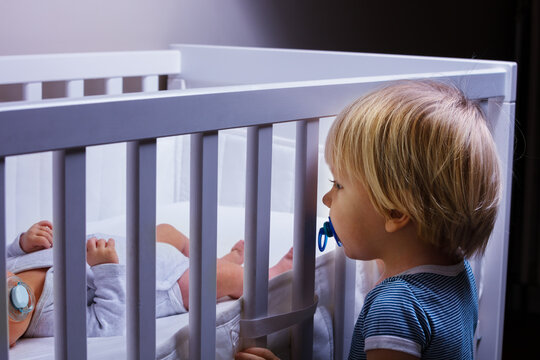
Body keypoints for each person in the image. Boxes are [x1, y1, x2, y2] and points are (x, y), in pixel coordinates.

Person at [236, 80, 501, 360]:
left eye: (338, 184)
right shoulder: (459, 273)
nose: (327, 198)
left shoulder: (394, 308)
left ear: (395, 212)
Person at [6, 220, 293, 347]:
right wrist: (105, 268)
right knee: (220, 279)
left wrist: (25, 241)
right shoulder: (46, 320)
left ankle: (219, 259)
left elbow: (11, 252)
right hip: (159, 287)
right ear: (12, 342)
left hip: (133, 250)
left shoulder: (9, 265)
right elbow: (109, 322)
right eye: (9, 312)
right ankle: (272, 275)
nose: (16, 298)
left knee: (168, 232)